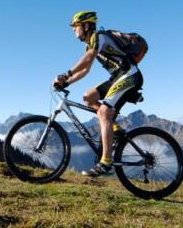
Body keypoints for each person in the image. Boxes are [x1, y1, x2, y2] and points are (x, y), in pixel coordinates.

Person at [53, 11, 143, 177]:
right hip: (117, 77)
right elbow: (85, 70)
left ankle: (106, 162)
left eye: (76, 26)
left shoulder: (97, 37)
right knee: (88, 97)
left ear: (86, 25)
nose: (74, 30)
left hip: (129, 75)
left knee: (103, 112)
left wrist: (66, 74)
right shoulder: (90, 44)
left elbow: (87, 59)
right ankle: (114, 127)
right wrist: (67, 82)